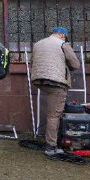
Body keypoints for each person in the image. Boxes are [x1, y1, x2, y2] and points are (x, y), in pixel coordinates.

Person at [31, 27, 80, 157]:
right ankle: (51, 147)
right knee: (53, 115)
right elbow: (75, 65)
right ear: (63, 35)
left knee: (52, 112)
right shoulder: (63, 44)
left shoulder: (38, 44)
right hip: (56, 83)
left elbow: (33, 61)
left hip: (39, 80)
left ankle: (53, 141)